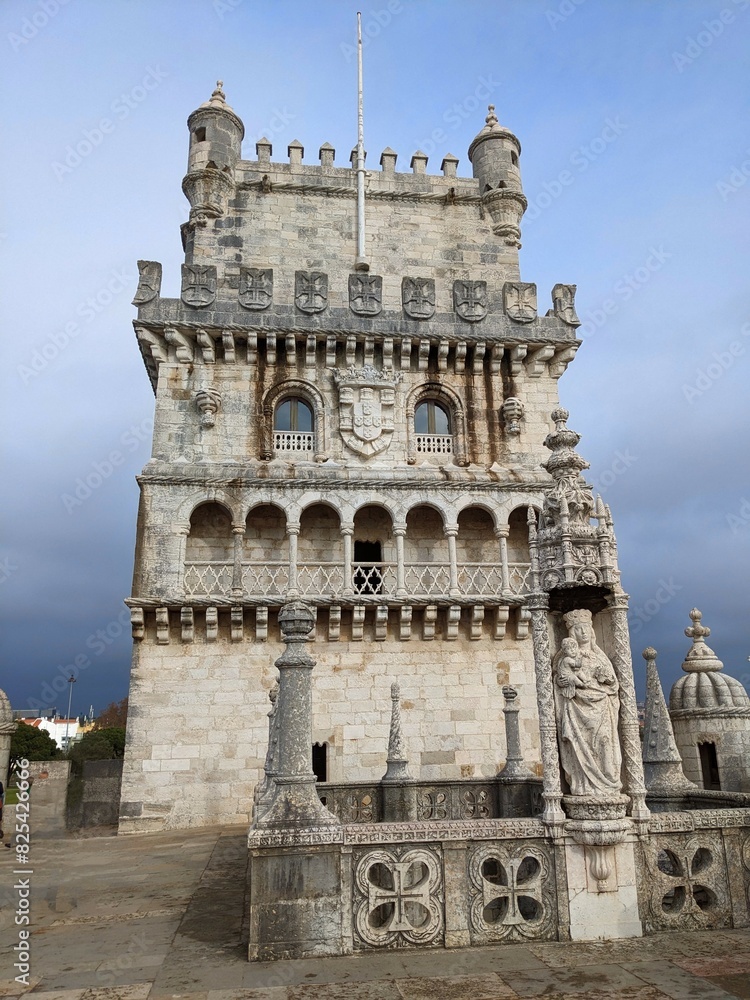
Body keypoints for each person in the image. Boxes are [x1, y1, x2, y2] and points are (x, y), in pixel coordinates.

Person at [553, 609, 622, 797]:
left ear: (592, 631)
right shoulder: (565, 657)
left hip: (601, 705)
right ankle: (583, 785)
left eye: (586, 628)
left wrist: (607, 680)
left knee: (605, 741)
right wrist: (564, 682)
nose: (583, 632)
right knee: (578, 744)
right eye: (578, 629)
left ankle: (608, 782)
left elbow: (614, 685)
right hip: (577, 708)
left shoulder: (600, 656)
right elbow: (558, 679)